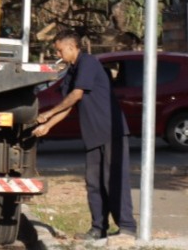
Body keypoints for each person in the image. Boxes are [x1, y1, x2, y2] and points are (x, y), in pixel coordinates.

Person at [32, 30, 135, 243]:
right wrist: (48, 125)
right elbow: (70, 105)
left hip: (110, 131)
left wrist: (49, 113)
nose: (58, 54)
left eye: (60, 50)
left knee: (114, 180)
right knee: (94, 183)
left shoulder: (88, 62)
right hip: (93, 135)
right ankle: (99, 228)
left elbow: (76, 95)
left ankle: (126, 227)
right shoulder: (72, 70)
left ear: (72, 46)